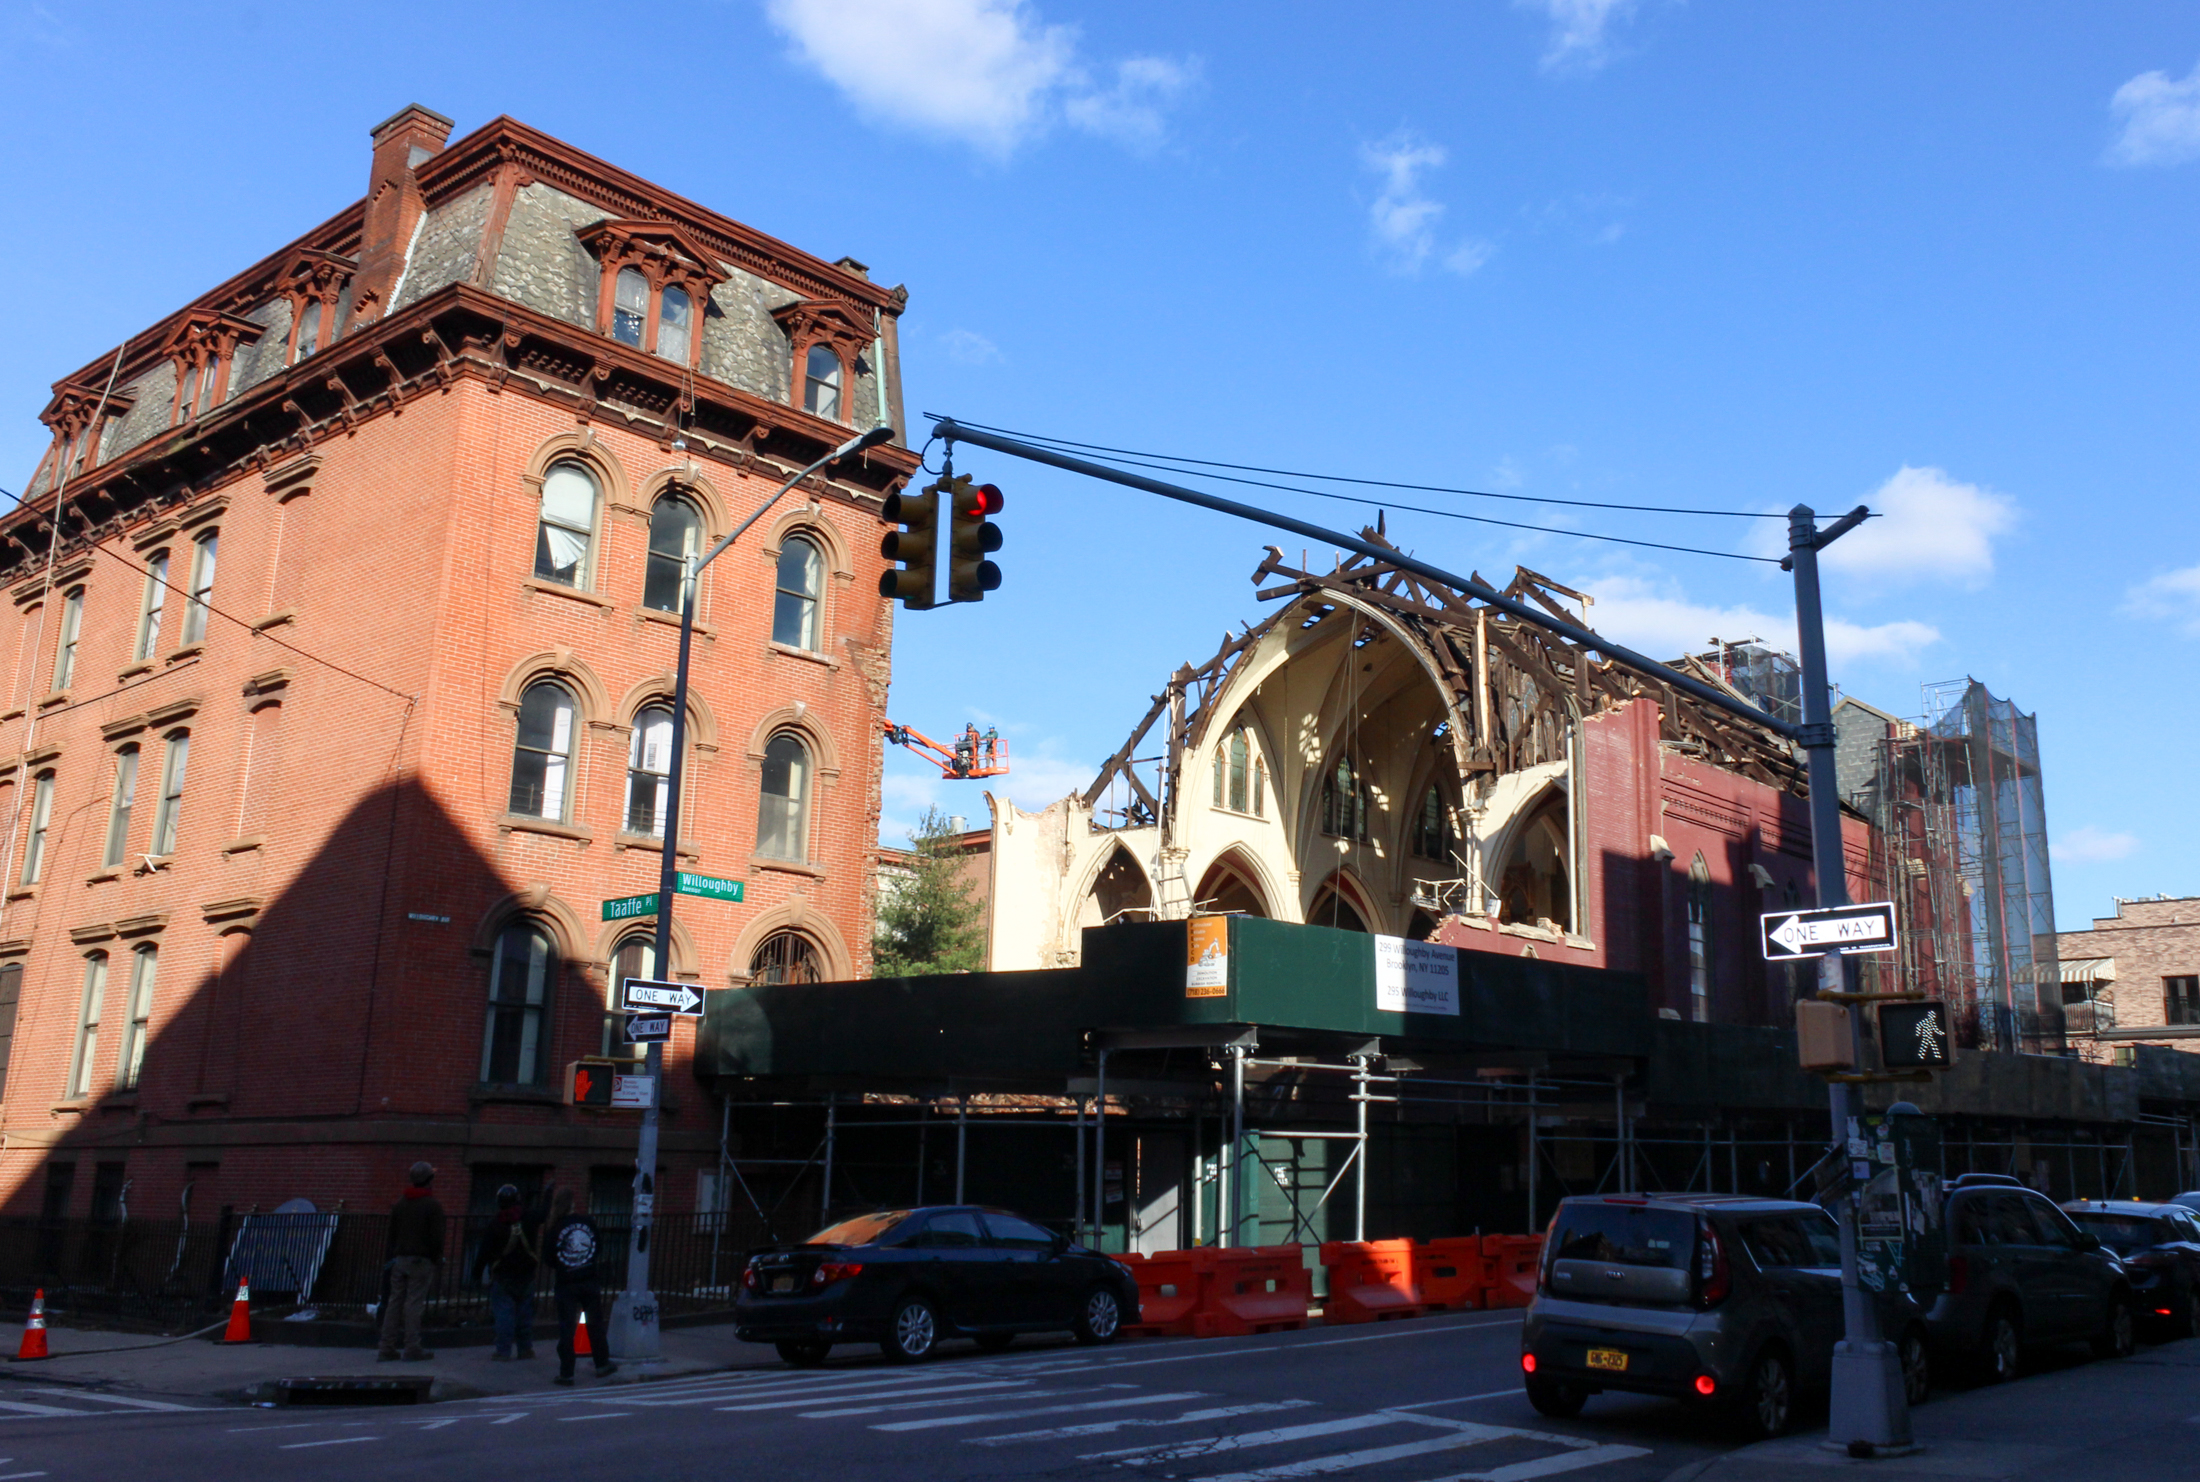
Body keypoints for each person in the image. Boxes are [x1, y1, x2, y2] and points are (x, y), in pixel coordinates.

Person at [543, 1186, 618, 1384]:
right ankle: (602, 1364)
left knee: (567, 1328)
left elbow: (548, 1257)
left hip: (566, 1283)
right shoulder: (587, 1222)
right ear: (573, 1204)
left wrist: (564, 1264)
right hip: (589, 1279)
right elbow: (598, 1247)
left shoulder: (554, 1228)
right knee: (595, 1325)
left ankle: (567, 1373)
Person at [379, 1161, 443, 1362]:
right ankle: (412, 1347)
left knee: (394, 1303)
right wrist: (435, 1258)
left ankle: (386, 1347)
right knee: (414, 1304)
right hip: (421, 1261)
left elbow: (391, 1235)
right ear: (428, 1180)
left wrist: (392, 1257)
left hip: (400, 1260)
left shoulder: (400, 1204)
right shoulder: (432, 1205)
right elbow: (437, 1237)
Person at [469, 1183, 538, 1360]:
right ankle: (525, 1349)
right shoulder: (529, 1219)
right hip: (527, 1276)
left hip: (503, 1277)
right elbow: (544, 1213)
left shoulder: (495, 1224)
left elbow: (484, 1252)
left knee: (504, 1316)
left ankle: (503, 1351)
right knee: (524, 1315)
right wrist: (547, 1194)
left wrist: (476, 1274)